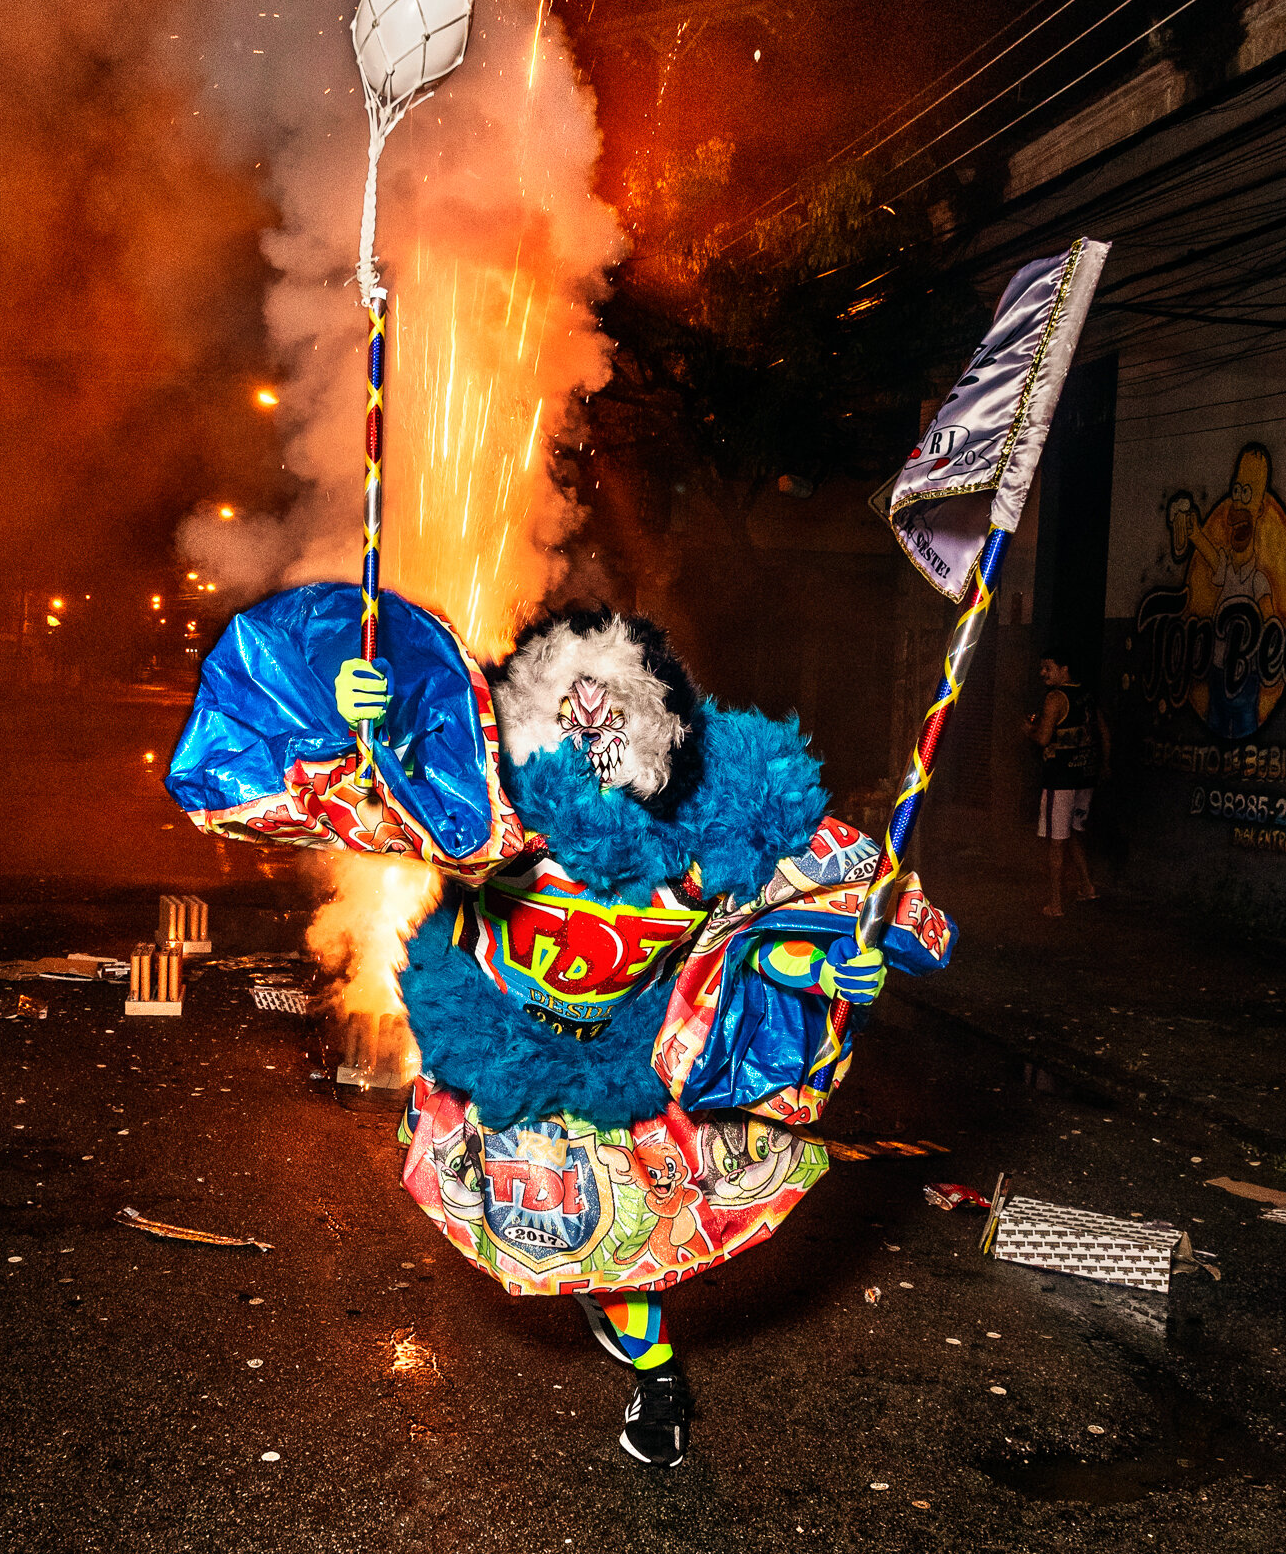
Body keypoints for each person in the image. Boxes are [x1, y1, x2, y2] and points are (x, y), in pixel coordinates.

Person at [166, 588, 960, 1470]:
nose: (595, 755)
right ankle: (611, 1316)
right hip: (510, 1054)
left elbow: (755, 950)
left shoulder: (704, 845)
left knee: (622, 1273)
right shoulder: (483, 813)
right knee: (556, 1256)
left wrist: (828, 967)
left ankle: (658, 1380)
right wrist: (357, 727)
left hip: (628, 1064)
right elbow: (315, 807)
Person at [1022, 647, 1109, 920]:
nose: (1043, 673)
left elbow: (1044, 738)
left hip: (1060, 780)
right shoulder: (1086, 695)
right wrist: (1105, 765)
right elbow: (1104, 732)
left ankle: (1055, 902)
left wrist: (1028, 730)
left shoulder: (1055, 698)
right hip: (1085, 777)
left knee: (1056, 842)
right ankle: (1087, 886)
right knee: (1074, 834)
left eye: (1048, 668)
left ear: (1064, 669)